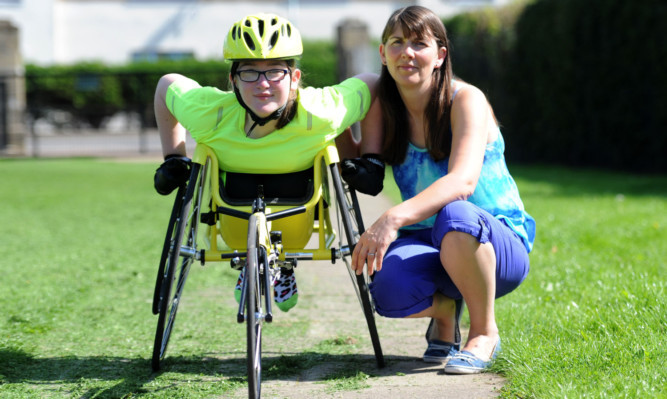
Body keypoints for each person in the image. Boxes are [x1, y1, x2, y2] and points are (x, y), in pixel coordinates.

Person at [343, 5, 536, 374]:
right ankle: (445, 312)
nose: (407, 53)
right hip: (431, 241)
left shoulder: (466, 100)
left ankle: (483, 333)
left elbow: (462, 182)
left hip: (495, 244)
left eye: (419, 43)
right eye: (397, 43)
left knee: (456, 214)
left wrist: (392, 218)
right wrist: (328, 120)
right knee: (387, 286)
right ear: (383, 54)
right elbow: (362, 172)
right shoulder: (385, 108)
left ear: (440, 55)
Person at [153, 13, 378, 312]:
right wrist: (174, 158)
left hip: (295, 226)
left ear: (294, 78)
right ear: (232, 80)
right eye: (249, 73)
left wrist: (370, 159)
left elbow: (374, 85)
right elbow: (167, 85)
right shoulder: (211, 113)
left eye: (274, 72)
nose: (263, 84)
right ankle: (259, 264)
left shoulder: (319, 112)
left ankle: (280, 267)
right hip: (236, 227)